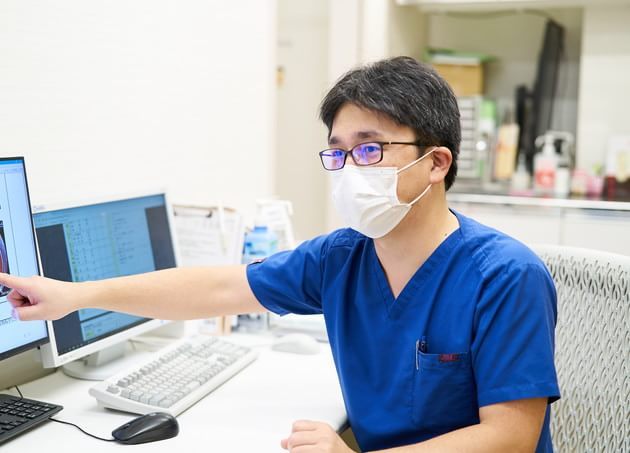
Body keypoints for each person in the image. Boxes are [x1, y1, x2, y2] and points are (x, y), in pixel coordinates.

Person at [0, 56, 559, 453]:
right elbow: (219, 289)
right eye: (339, 152)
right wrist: (76, 296)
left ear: (436, 163)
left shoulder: (505, 275)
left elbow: (509, 437)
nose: (349, 169)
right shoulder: (342, 258)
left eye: (370, 148)